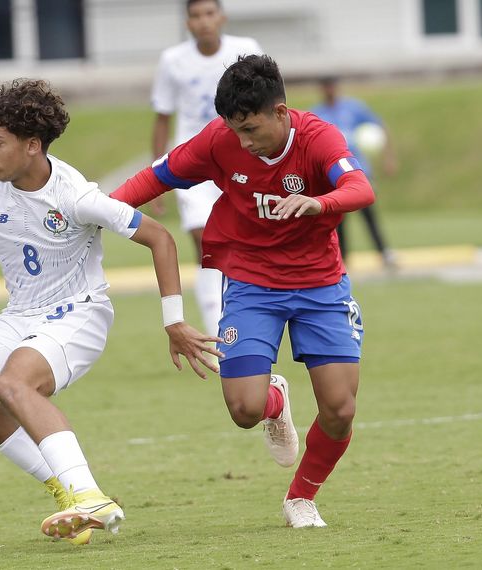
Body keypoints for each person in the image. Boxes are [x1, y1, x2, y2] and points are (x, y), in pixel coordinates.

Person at [0, 79, 221, 544]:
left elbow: (160, 238)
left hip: (79, 313)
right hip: (21, 313)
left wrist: (174, 320)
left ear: (33, 145)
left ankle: (90, 495)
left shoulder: (76, 196)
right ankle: (67, 492)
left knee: (14, 384)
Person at [111, 55, 375, 528]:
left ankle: (301, 499)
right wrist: (101, 210)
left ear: (280, 112)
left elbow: (359, 187)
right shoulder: (220, 142)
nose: (243, 142)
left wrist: (318, 202)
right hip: (253, 284)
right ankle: (273, 398)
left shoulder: (319, 138)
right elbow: (156, 177)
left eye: (251, 129)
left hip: (321, 285)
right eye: (235, 130)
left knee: (339, 409)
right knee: (244, 410)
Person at [149, 0, 262, 336]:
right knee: (206, 243)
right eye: (196, 16)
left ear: (222, 17)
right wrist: (158, 177)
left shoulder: (247, 49)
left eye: (209, 14)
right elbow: (162, 117)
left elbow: (268, 104)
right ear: (188, 23)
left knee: (245, 244)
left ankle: (248, 321)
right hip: (195, 164)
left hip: (242, 158)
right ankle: (220, 335)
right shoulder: (173, 61)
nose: (204, 22)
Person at [310, 76, 398, 270]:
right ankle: (343, 259)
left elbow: (379, 125)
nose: (329, 90)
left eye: (332, 86)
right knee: (338, 218)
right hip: (332, 174)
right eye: (325, 87)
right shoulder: (318, 113)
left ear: (337, 87)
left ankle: (384, 253)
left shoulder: (353, 108)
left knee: (368, 213)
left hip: (359, 170)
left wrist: (389, 157)